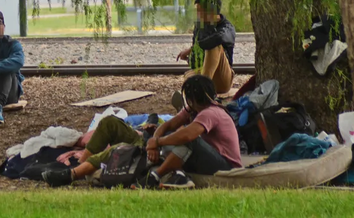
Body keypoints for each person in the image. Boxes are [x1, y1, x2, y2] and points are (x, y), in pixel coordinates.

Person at [42, 76, 241, 188]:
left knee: (186, 139)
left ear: (195, 98)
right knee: (113, 125)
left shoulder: (212, 113)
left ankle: (154, 177)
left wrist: (158, 143)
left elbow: (188, 136)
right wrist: (154, 138)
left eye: (189, 98)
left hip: (222, 164)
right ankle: (76, 170)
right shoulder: (193, 109)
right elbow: (171, 124)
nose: (187, 103)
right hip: (191, 155)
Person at [175, 0, 236, 96]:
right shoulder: (199, 27)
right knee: (189, 79)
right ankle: (187, 105)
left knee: (214, 46)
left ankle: (202, 91)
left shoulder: (227, 27)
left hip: (221, 79)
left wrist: (192, 49)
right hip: (201, 71)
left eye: (200, 10)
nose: (197, 14)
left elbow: (218, 38)